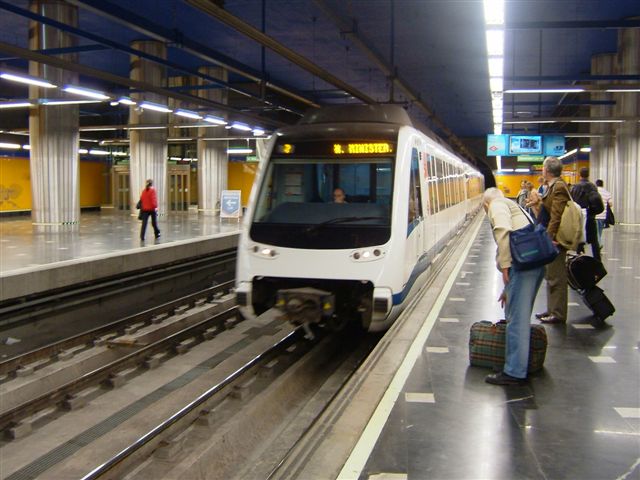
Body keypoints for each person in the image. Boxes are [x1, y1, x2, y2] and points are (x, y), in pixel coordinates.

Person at [483, 188, 545, 386]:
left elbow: (503, 231)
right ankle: (517, 366)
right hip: (534, 263)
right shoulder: (515, 206)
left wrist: (505, 266)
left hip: (523, 266)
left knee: (516, 321)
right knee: (519, 316)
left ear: (486, 204)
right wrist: (507, 290)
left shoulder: (496, 204)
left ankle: (515, 372)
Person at [527, 156, 570, 325]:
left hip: (555, 240)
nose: (542, 171)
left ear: (547, 170)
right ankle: (551, 309)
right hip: (551, 238)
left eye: (543, 168)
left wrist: (549, 238)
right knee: (551, 275)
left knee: (556, 277)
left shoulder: (558, 187)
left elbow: (556, 216)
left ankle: (558, 313)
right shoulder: (552, 186)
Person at [571, 167, 603, 261]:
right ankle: (597, 262)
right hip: (590, 217)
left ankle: (579, 260)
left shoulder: (575, 187)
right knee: (594, 242)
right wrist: (592, 213)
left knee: (579, 240)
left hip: (578, 218)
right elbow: (598, 204)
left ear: (579, 174)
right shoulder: (592, 187)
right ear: (588, 175)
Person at [595, 179, 612, 249]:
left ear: (596, 184)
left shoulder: (594, 192)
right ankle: (598, 244)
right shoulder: (607, 193)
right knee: (600, 231)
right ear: (602, 185)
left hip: (595, 215)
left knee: (596, 232)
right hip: (603, 215)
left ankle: (599, 243)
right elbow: (610, 204)